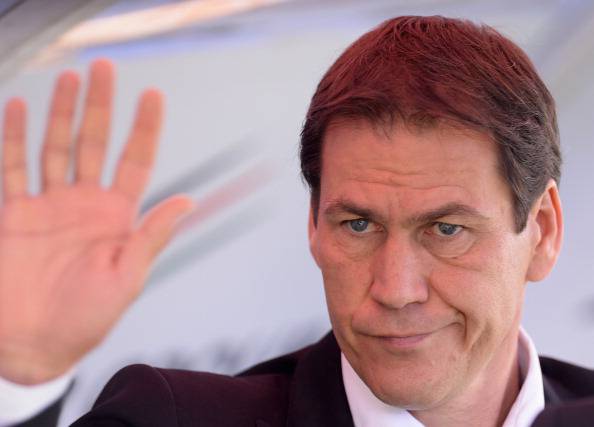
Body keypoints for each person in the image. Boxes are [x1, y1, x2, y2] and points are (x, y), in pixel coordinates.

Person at [2, 15, 594, 427]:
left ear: (541, 231)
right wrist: (22, 381)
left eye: (446, 230)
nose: (395, 289)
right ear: (314, 226)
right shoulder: (172, 418)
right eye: (358, 225)